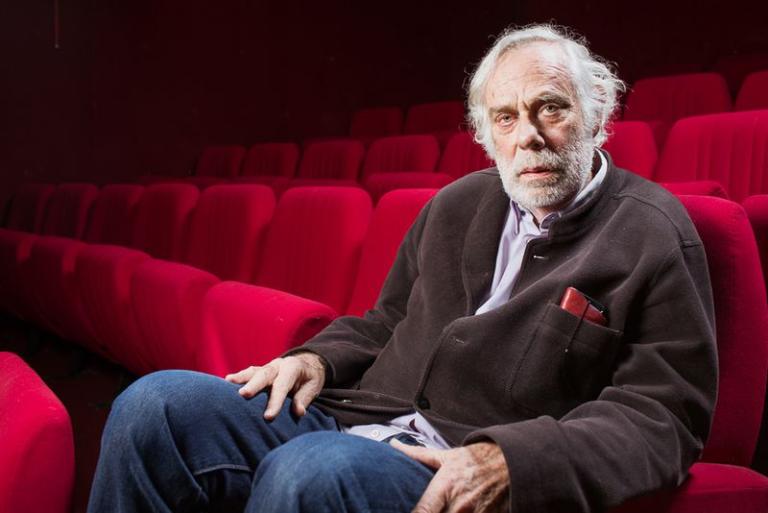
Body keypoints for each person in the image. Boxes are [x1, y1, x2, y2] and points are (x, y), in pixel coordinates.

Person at [87, 24, 717, 513]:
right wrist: (316, 359)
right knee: (156, 405)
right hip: (358, 416)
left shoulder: (652, 233)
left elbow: (663, 415)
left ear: (599, 116)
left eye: (550, 108)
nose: (527, 135)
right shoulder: (456, 205)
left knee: (309, 472)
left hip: (453, 458)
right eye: (505, 117)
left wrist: (512, 462)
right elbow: (385, 320)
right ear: (486, 134)